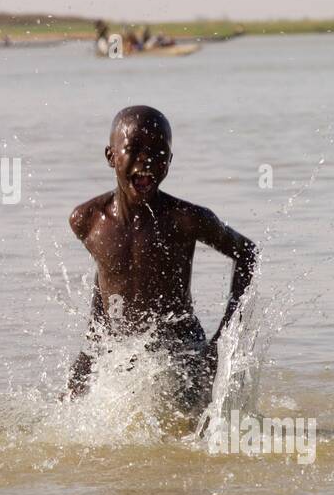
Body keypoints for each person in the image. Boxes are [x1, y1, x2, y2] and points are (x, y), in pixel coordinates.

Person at [66, 105, 257, 412]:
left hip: (183, 354)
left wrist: (223, 340)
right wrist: (90, 350)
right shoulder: (88, 221)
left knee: (189, 435)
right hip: (123, 352)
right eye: (134, 148)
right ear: (111, 156)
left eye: (158, 151)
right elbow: (106, 277)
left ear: (169, 161)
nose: (146, 159)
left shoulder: (187, 219)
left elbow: (247, 254)